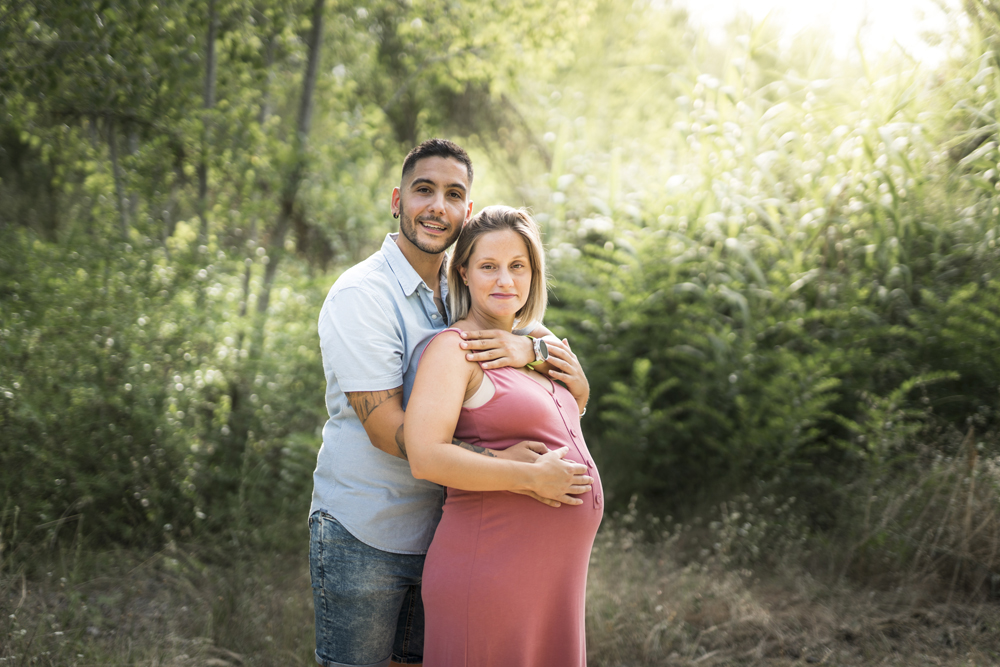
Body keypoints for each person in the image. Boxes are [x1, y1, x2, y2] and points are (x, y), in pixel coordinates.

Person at [310, 139, 593, 667]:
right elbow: (387, 428)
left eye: (454, 194)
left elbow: (548, 386)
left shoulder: (467, 285)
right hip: (369, 530)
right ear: (398, 200)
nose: (438, 206)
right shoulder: (362, 296)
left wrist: (529, 349)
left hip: (445, 528)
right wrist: (507, 468)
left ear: (468, 210)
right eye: (424, 191)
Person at [405, 205, 604, 667]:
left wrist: (574, 384)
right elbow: (424, 457)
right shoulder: (454, 350)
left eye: (517, 266)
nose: (504, 281)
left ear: (534, 272)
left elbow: (566, 420)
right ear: (464, 273)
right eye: (488, 267)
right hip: (491, 571)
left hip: (555, 582)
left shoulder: (537, 342)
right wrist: (527, 478)